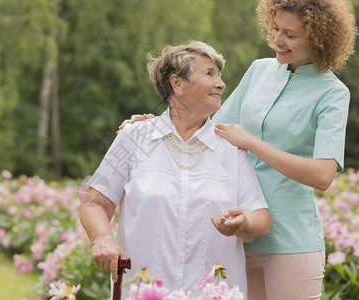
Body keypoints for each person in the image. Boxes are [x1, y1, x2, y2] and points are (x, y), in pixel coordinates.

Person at [119, 1, 357, 299]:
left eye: (290, 35)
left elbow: (323, 176)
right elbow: (211, 128)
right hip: (238, 238)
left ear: (321, 38)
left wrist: (252, 143)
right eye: (274, 29)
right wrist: (159, 122)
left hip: (292, 241)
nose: (277, 40)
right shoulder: (259, 70)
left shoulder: (333, 93)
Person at [79, 41, 272, 298]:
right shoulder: (133, 137)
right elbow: (94, 202)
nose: (221, 84)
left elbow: (261, 217)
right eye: (209, 73)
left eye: (219, 75)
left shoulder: (231, 147)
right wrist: (102, 238)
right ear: (177, 84)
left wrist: (243, 223)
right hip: (144, 292)